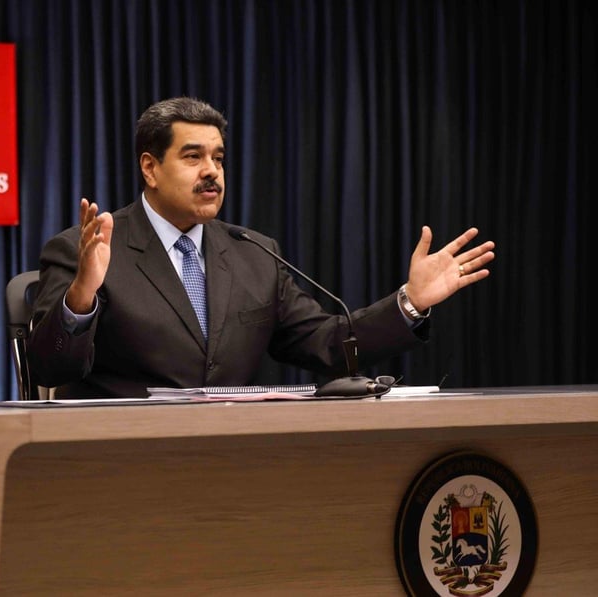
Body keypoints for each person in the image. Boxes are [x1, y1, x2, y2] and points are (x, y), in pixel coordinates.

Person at [27, 97, 495, 398]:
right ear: (150, 168)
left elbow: (328, 344)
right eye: (193, 156)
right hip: (120, 462)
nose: (212, 170)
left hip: (236, 461)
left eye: (218, 158)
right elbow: (49, 368)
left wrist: (410, 304)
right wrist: (82, 296)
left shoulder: (253, 254)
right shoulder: (83, 250)